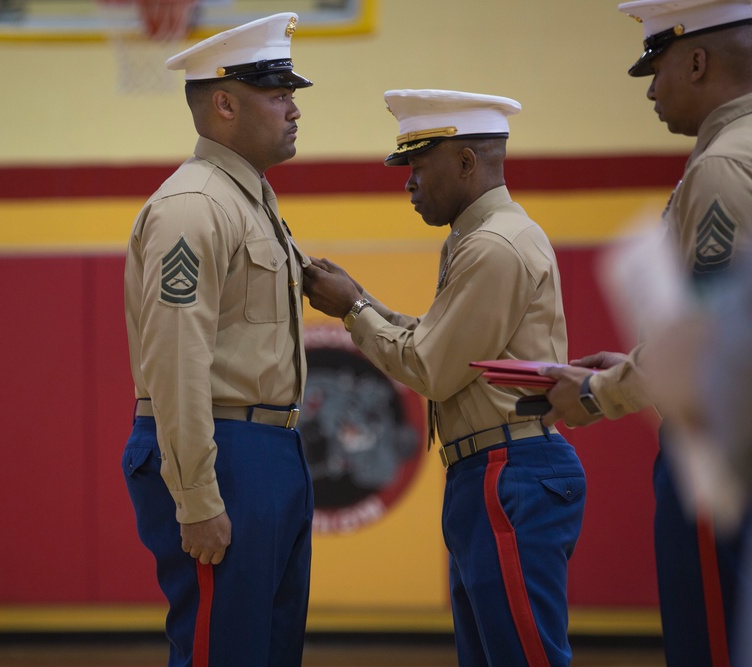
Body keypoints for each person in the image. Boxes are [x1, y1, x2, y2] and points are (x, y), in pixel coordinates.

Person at [303, 89, 586, 667]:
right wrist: (361, 301)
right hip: (494, 467)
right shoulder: (475, 237)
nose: (408, 181)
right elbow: (438, 342)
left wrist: (353, 312)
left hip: (509, 470)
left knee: (522, 656)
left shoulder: (493, 245)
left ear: (465, 162)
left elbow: (431, 368)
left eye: (418, 165)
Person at [538, 0, 752, 663]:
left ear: (697, 60)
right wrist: (636, 364)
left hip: (725, 456)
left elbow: (716, 336)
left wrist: (601, 391)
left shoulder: (722, 164)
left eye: (656, 68)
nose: (653, 89)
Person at [121, 13, 314, 667]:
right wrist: (197, 496)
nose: (294, 108)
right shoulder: (193, 206)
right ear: (225, 103)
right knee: (223, 650)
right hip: (221, 453)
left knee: (267, 649)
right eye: (277, 92)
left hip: (267, 449)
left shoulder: (250, 199)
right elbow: (176, 356)